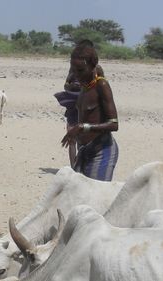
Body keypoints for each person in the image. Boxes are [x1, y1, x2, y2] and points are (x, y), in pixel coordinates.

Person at [60, 41, 119, 181]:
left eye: (80, 71)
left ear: (93, 65)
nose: (76, 75)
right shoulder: (84, 87)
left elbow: (114, 124)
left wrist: (82, 127)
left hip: (101, 152)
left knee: (95, 199)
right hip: (84, 151)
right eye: (73, 71)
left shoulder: (102, 85)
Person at [54, 40, 105, 167]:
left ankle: (83, 164)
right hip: (74, 102)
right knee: (71, 134)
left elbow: (101, 87)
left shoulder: (97, 69)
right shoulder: (73, 67)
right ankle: (73, 167)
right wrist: (71, 88)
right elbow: (66, 84)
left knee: (83, 136)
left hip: (89, 105)